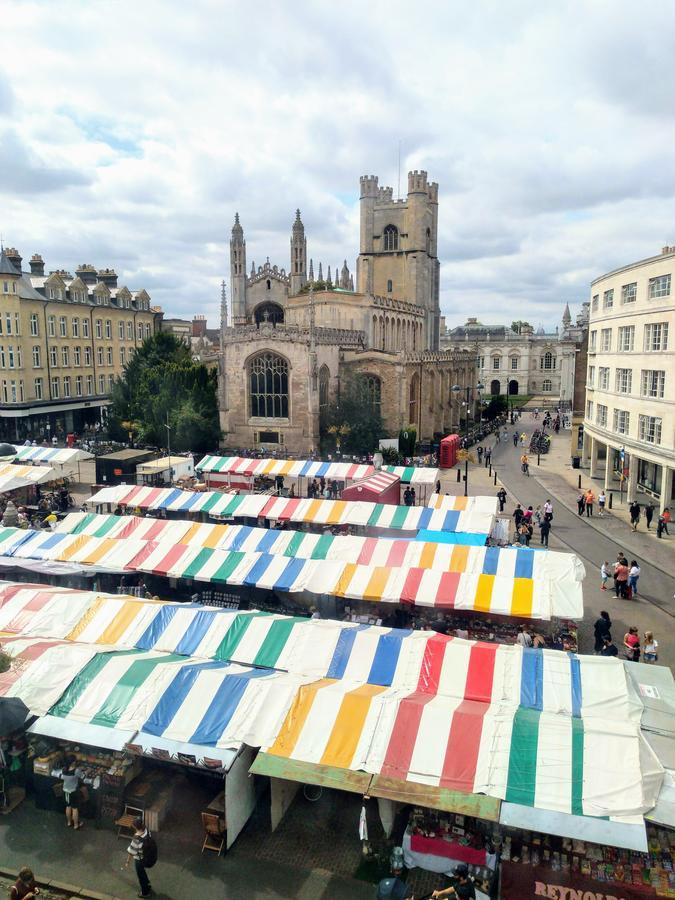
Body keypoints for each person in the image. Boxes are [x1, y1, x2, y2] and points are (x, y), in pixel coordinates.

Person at [124, 817, 157, 898]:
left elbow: (131, 852)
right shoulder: (146, 830)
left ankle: (145, 892)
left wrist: (127, 862)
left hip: (140, 860)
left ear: (135, 827)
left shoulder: (136, 838)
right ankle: (147, 884)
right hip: (148, 856)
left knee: (141, 875)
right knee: (142, 873)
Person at [61, 758, 83, 830]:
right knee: (75, 809)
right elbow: (82, 776)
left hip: (65, 791)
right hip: (73, 792)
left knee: (68, 807)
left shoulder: (64, 769)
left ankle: (69, 822)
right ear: (73, 762)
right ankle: (76, 825)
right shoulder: (76, 771)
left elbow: (62, 777)